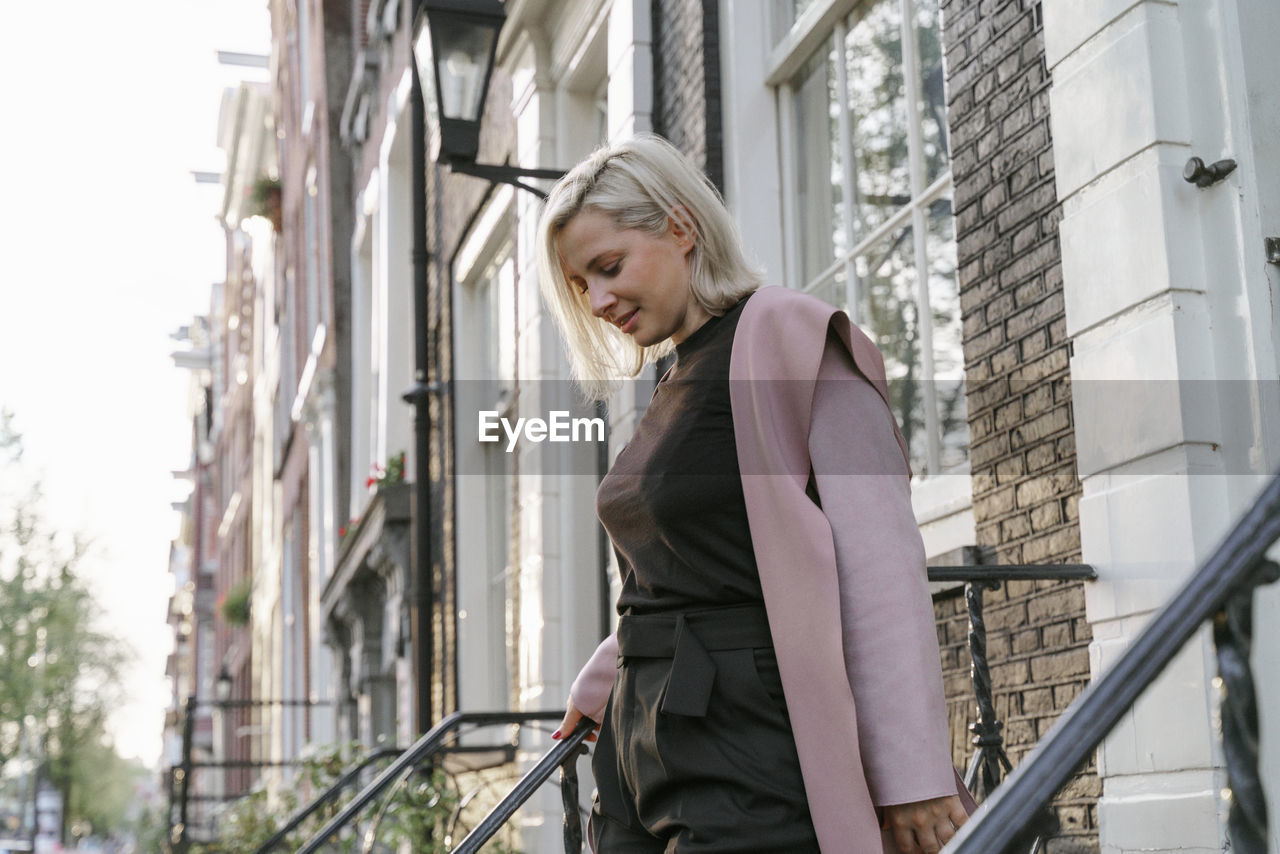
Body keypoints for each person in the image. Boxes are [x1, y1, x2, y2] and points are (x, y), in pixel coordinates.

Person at [537, 133, 971, 854]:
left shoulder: (787, 336)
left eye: (608, 267)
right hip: (640, 740)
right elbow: (701, 563)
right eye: (584, 287)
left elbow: (880, 565)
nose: (601, 300)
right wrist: (610, 669)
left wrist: (914, 775)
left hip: (740, 738)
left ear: (681, 227)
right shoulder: (671, 379)